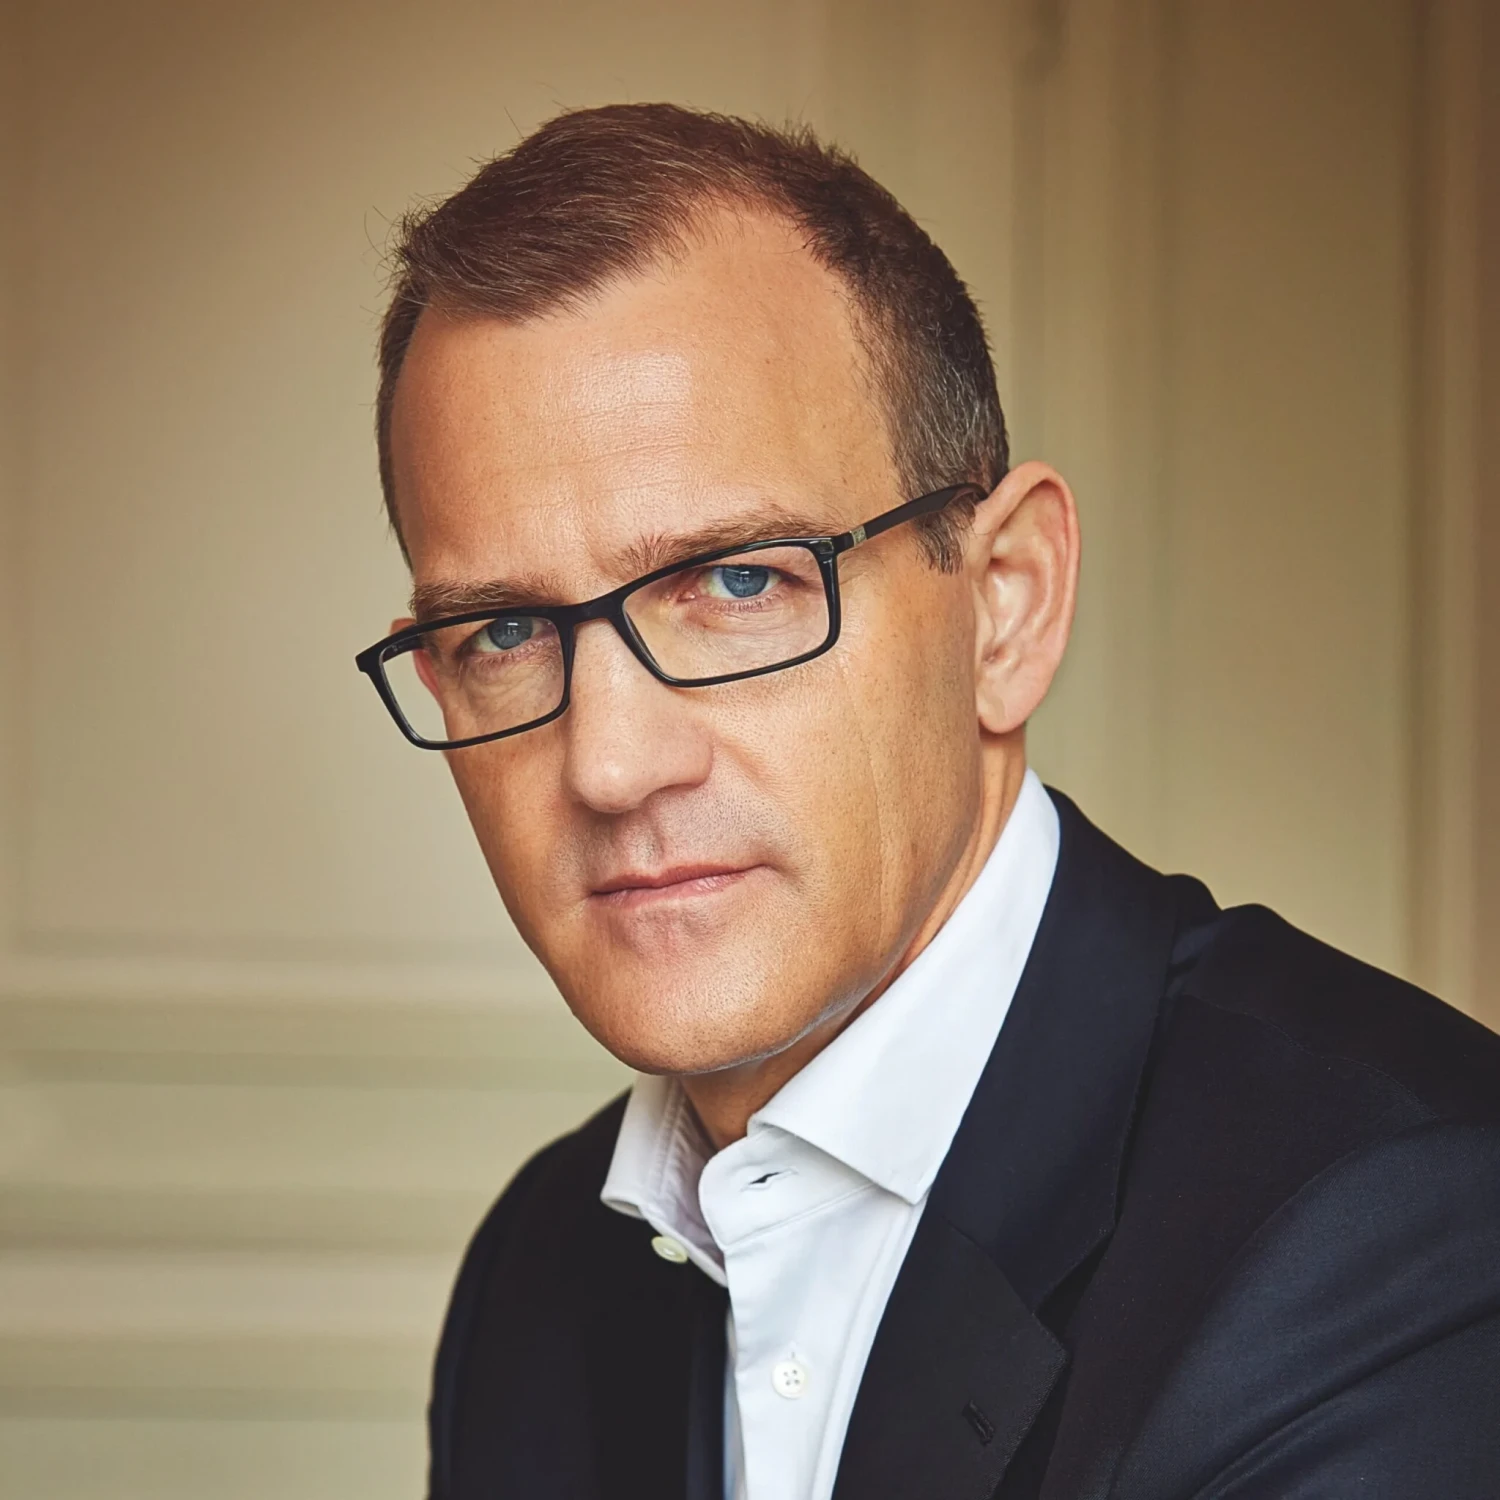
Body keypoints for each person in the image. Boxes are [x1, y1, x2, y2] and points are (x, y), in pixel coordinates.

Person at [354, 103, 1500, 1500]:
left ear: (1005, 604)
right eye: (502, 633)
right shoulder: (535, 1280)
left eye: (738, 582)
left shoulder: (1406, 1226)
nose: (610, 764)